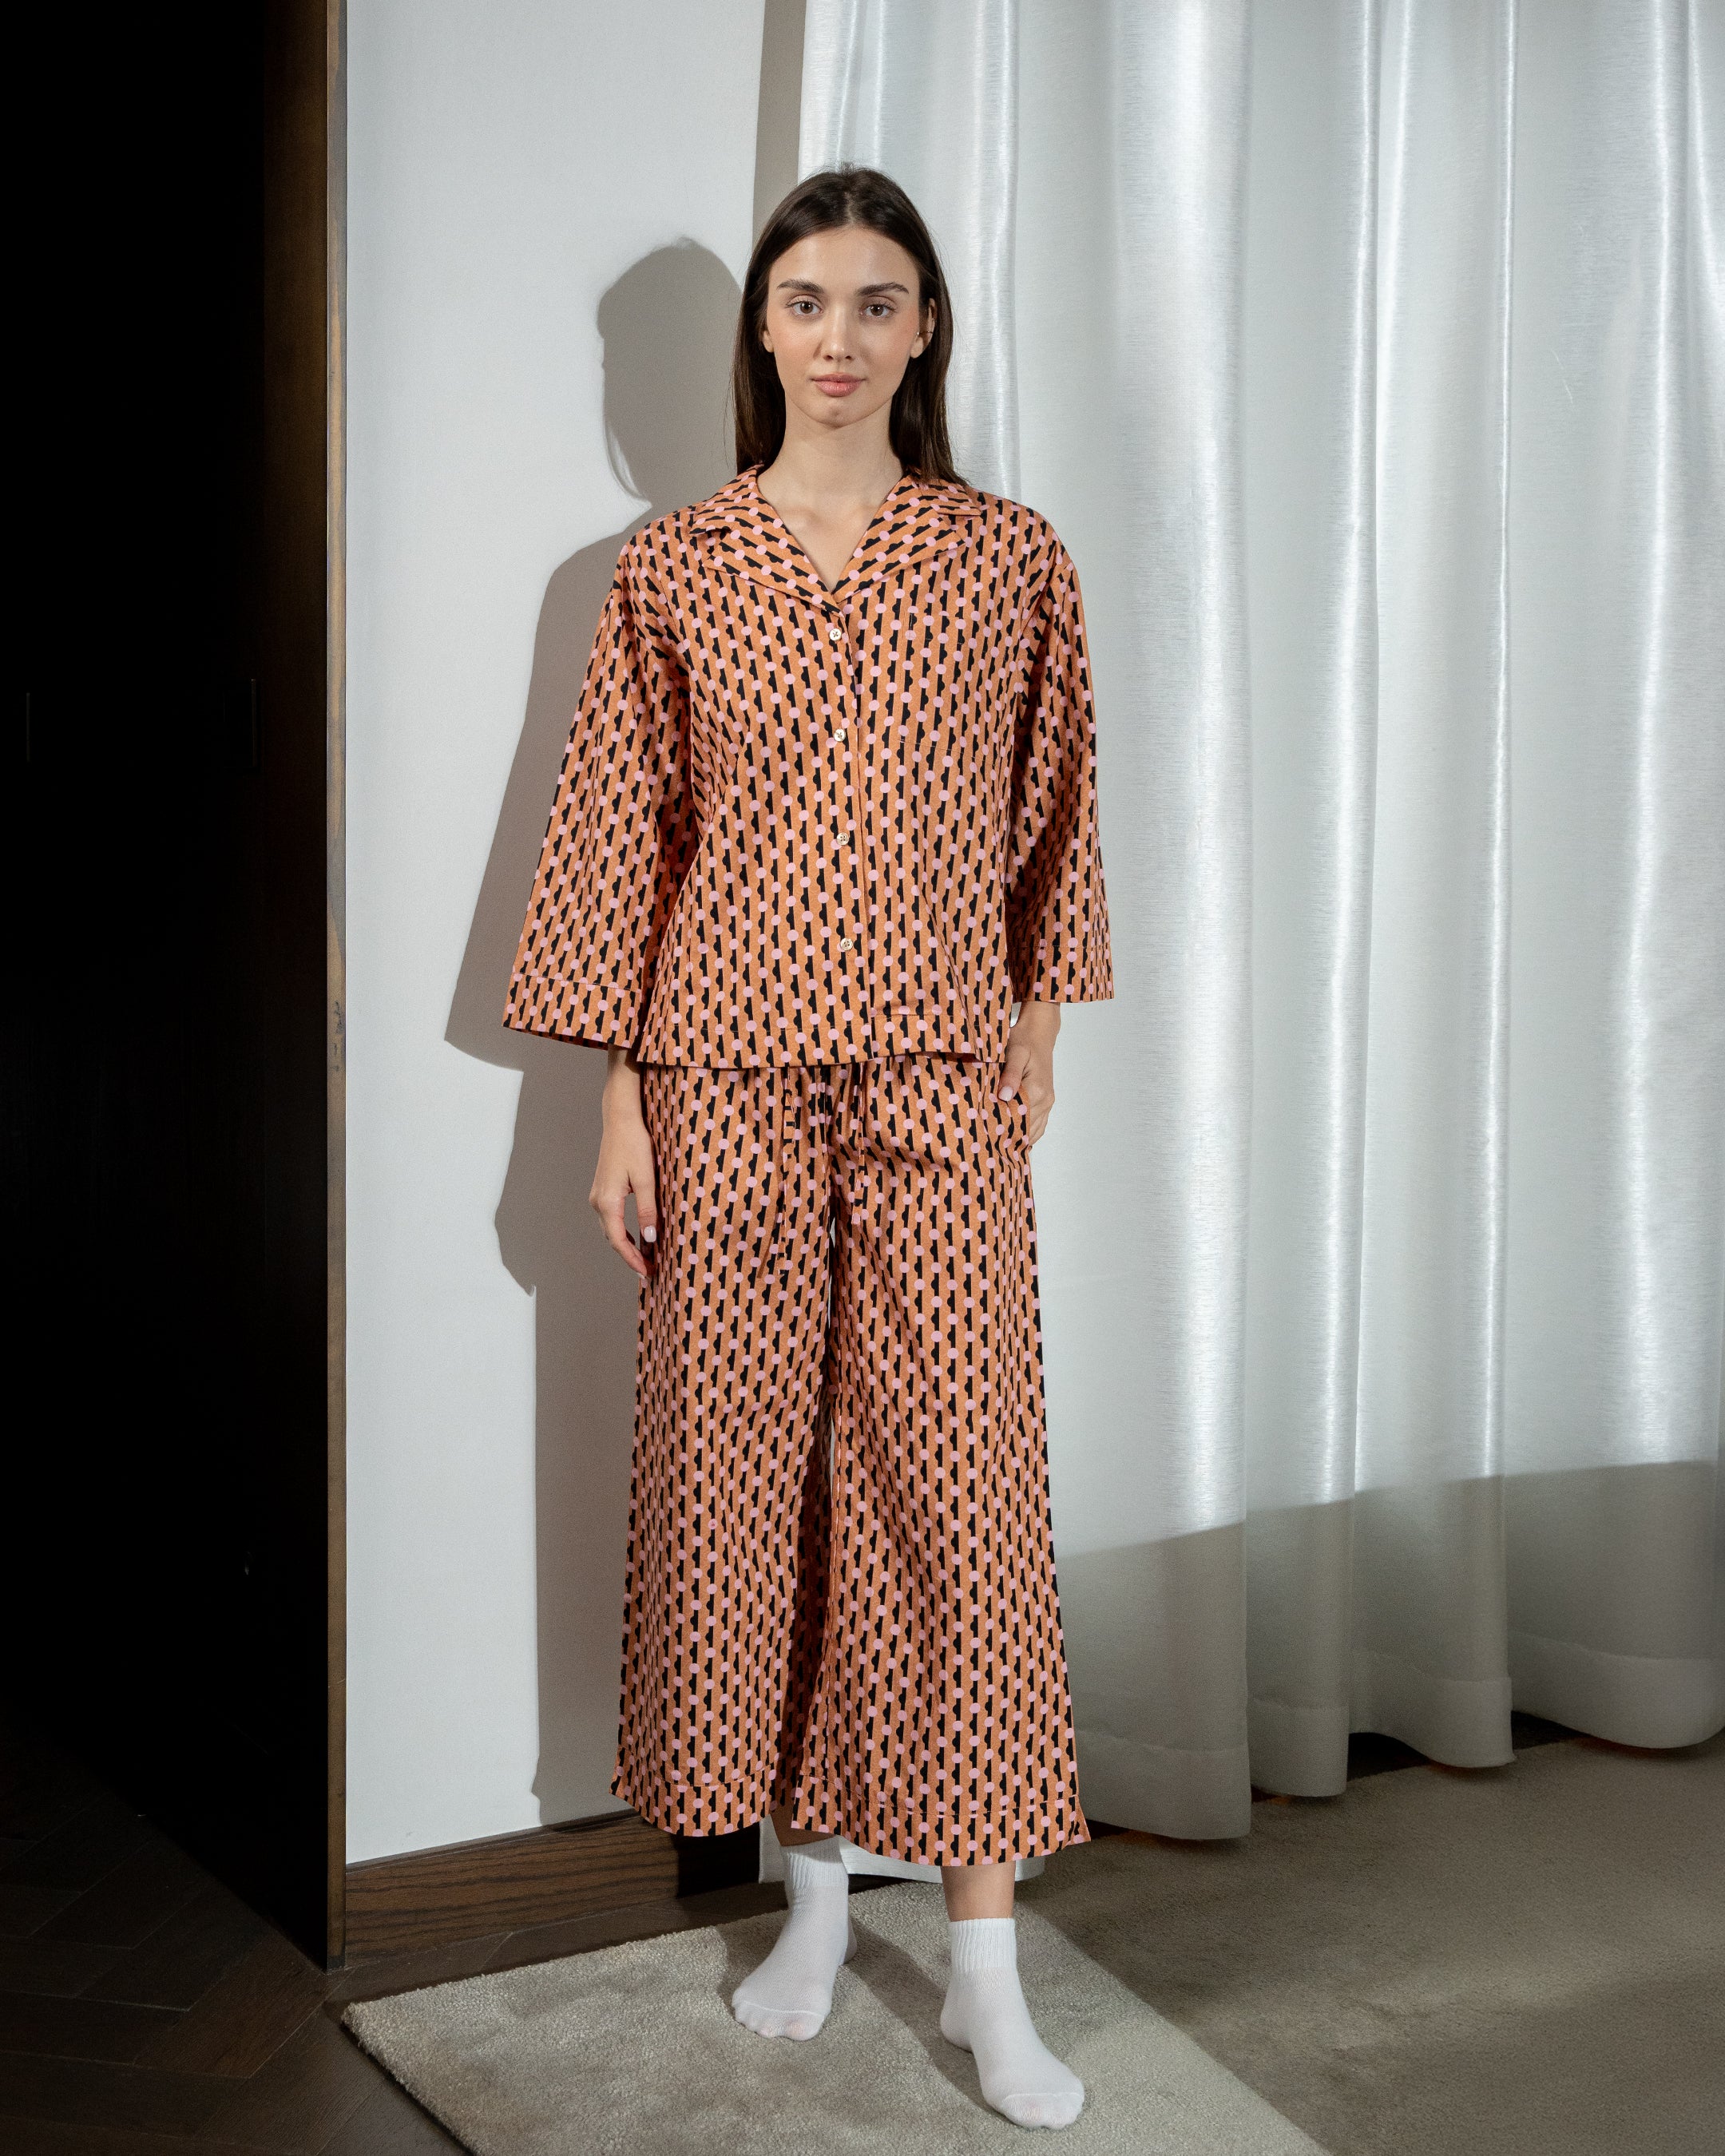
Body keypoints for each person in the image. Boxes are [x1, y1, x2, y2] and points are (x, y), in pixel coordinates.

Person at [505, 166, 1113, 2132]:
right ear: (759, 334)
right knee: (746, 1491)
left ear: (926, 330)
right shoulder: (668, 570)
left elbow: (1054, 821)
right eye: (804, 301)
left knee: (958, 1510)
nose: (839, 337)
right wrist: (615, 1093)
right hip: (724, 1079)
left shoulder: (1012, 557)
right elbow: (621, 834)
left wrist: (1030, 1028)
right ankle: (818, 1907)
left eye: (877, 301)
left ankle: (992, 1974)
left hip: (939, 1085)